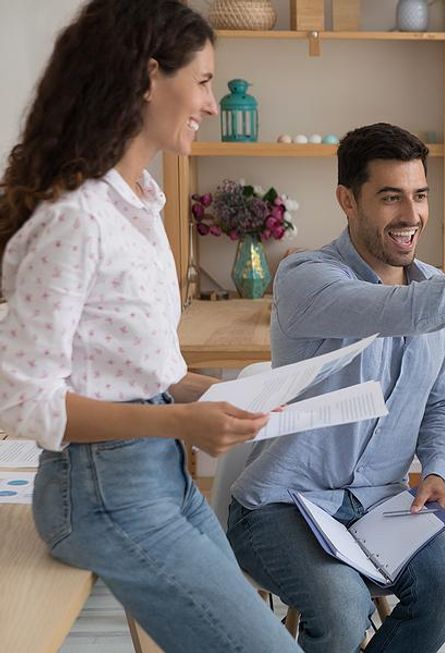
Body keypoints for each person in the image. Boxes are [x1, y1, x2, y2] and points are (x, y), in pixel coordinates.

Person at [0, 1, 301, 650]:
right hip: (100, 491)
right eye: (202, 82)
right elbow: (25, 403)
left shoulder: (138, 205)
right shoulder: (75, 219)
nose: (214, 103)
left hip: (161, 475)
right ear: (146, 77)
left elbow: (143, 375)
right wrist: (177, 419)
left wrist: (231, 393)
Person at [226, 122, 445, 653]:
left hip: (379, 505)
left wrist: (436, 469)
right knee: (341, 610)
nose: (411, 215)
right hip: (283, 506)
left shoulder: (435, 290)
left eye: (420, 195)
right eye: (390, 198)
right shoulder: (307, 279)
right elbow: (400, 313)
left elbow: (444, 403)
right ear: (347, 200)